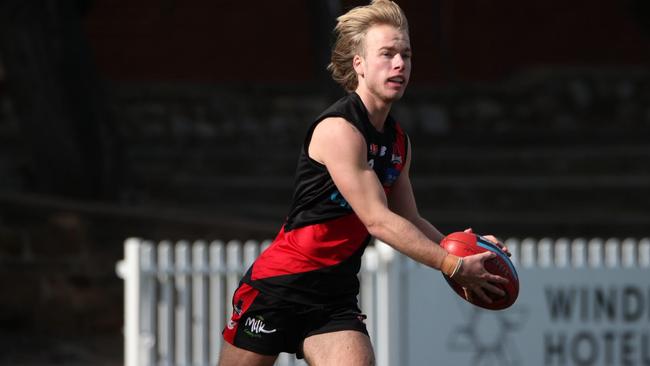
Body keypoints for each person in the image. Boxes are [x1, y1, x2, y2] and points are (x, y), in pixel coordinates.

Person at [218, 1, 509, 365]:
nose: (400, 64)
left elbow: (410, 219)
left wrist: (466, 250)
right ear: (359, 64)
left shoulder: (398, 141)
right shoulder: (339, 130)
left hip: (333, 298)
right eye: (387, 54)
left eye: (406, 55)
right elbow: (378, 220)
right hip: (279, 286)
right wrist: (450, 266)